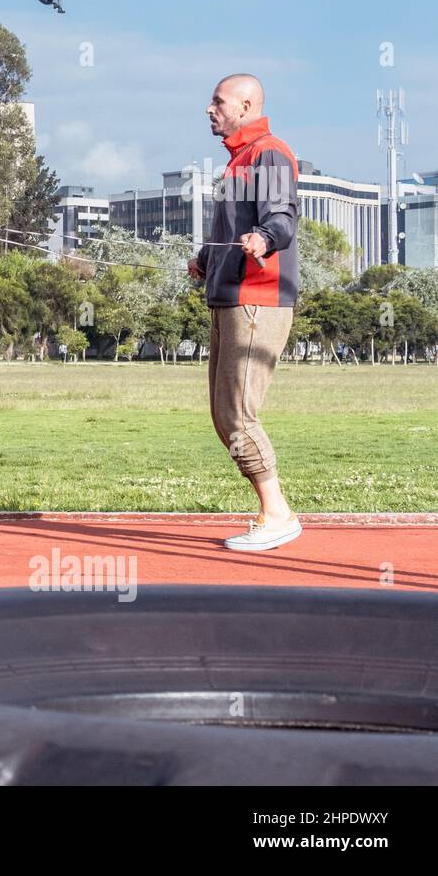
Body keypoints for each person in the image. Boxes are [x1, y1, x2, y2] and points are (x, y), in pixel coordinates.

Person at [188, 74, 300, 551]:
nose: (209, 109)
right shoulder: (237, 161)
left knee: (238, 414)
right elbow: (234, 230)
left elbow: (281, 217)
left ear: (247, 104)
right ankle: (274, 511)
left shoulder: (267, 152)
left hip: (258, 300)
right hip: (230, 297)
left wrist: (266, 239)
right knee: (223, 415)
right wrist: (206, 260)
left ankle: (278, 515)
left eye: (218, 102)